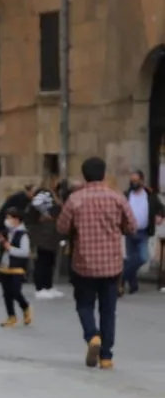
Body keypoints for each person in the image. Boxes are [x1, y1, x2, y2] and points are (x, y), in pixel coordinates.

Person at [56, 157, 137, 369]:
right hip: (111, 264)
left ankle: (92, 336)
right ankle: (106, 357)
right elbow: (132, 226)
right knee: (108, 310)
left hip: (83, 263)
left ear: (84, 175)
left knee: (84, 304)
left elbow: (61, 227)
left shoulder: (75, 200)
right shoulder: (116, 197)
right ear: (103, 174)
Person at [122, 170, 164, 294]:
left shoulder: (150, 195)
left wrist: (160, 216)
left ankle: (121, 277)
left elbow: (161, 208)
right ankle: (133, 286)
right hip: (129, 231)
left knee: (143, 257)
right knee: (131, 259)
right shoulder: (126, 195)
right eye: (131, 181)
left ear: (142, 181)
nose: (133, 183)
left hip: (143, 232)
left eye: (135, 181)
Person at [0, 207, 33, 328]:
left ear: (16, 219)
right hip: (5, 265)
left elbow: (25, 252)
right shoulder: (7, 232)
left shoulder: (23, 234)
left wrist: (10, 248)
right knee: (6, 293)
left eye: (9, 218)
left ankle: (25, 306)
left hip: (17, 267)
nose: (7, 220)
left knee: (16, 291)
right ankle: (11, 316)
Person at [26, 185, 64, 299]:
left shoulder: (51, 196)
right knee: (43, 262)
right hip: (43, 236)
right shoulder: (45, 194)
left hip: (50, 236)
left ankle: (48, 286)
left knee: (49, 261)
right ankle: (40, 288)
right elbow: (39, 209)